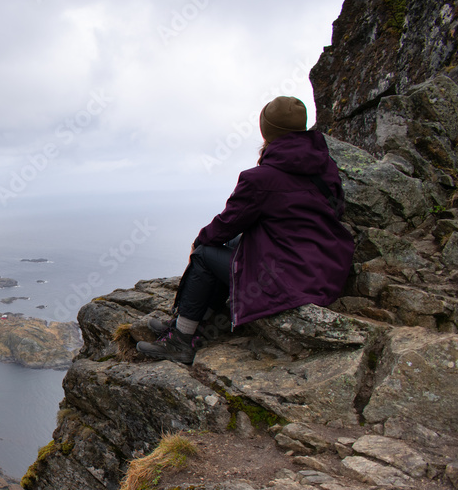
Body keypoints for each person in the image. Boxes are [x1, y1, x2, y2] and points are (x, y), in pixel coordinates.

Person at [137, 95, 355, 364]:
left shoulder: (260, 179)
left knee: (205, 255)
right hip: (327, 268)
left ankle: (181, 339)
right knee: (234, 244)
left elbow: (228, 223)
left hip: (292, 279)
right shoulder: (325, 166)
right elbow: (336, 209)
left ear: (266, 131)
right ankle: (200, 322)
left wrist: (199, 240)